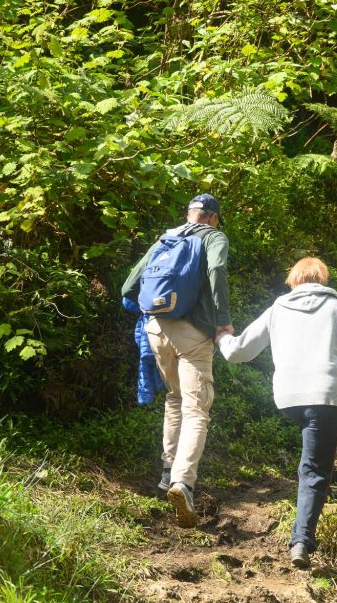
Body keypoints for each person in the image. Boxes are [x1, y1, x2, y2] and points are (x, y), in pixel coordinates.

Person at [216, 258, 337, 569]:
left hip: (288, 398)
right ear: (323, 279)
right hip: (326, 397)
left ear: (293, 280)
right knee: (315, 470)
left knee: (311, 455)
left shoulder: (278, 309)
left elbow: (239, 352)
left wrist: (221, 336)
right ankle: (301, 541)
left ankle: (301, 530)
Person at [121, 194, 234, 527]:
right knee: (196, 408)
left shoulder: (167, 236)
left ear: (189, 214)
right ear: (212, 218)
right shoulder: (214, 237)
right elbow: (216, 269)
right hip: (193, 333)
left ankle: (167, 470)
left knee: (174, 398)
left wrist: (142, 311)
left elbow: (131, 283)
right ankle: (183, 482)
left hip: (156, 329)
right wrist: (223, 320)